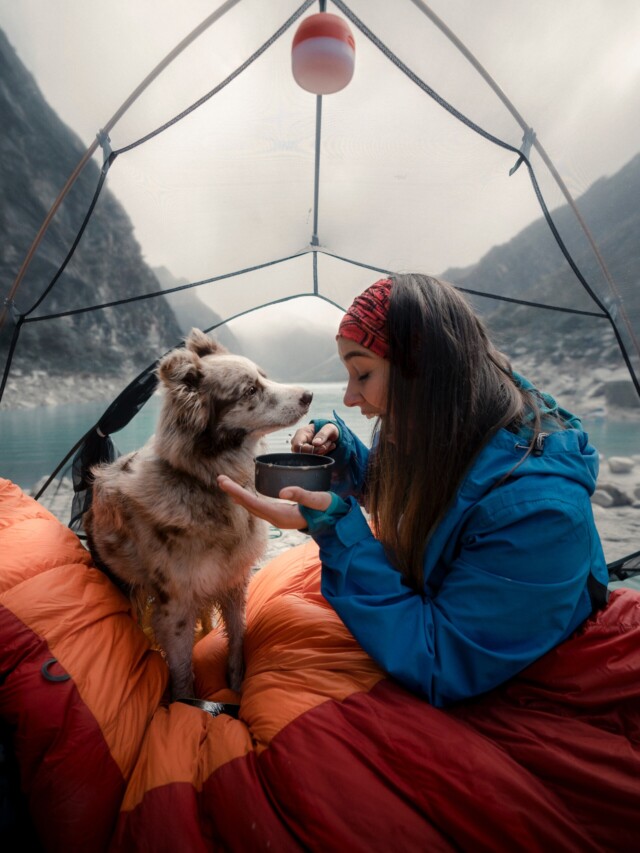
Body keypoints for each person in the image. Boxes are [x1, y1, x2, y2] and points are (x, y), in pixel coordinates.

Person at [217, 273, 609, 708]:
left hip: (488, 670)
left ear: (424, 370)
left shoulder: (538, 513)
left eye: (363, 373)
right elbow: (416, 498)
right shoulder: (444, 420)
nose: (349, 397)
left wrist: (333, 530)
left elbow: (442, 662)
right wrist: (342, 455)